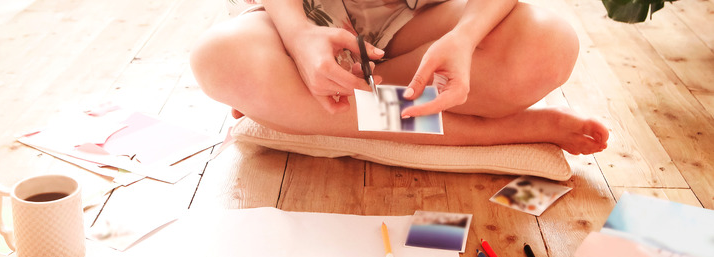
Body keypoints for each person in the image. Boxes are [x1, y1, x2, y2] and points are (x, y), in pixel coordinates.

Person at [191, 0, 609, 155]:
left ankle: (322, 103)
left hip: (421, 17)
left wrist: (465, 39)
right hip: (303, 14)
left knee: (550, 43)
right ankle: (506, 130)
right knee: (218, 58)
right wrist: (298, 39)